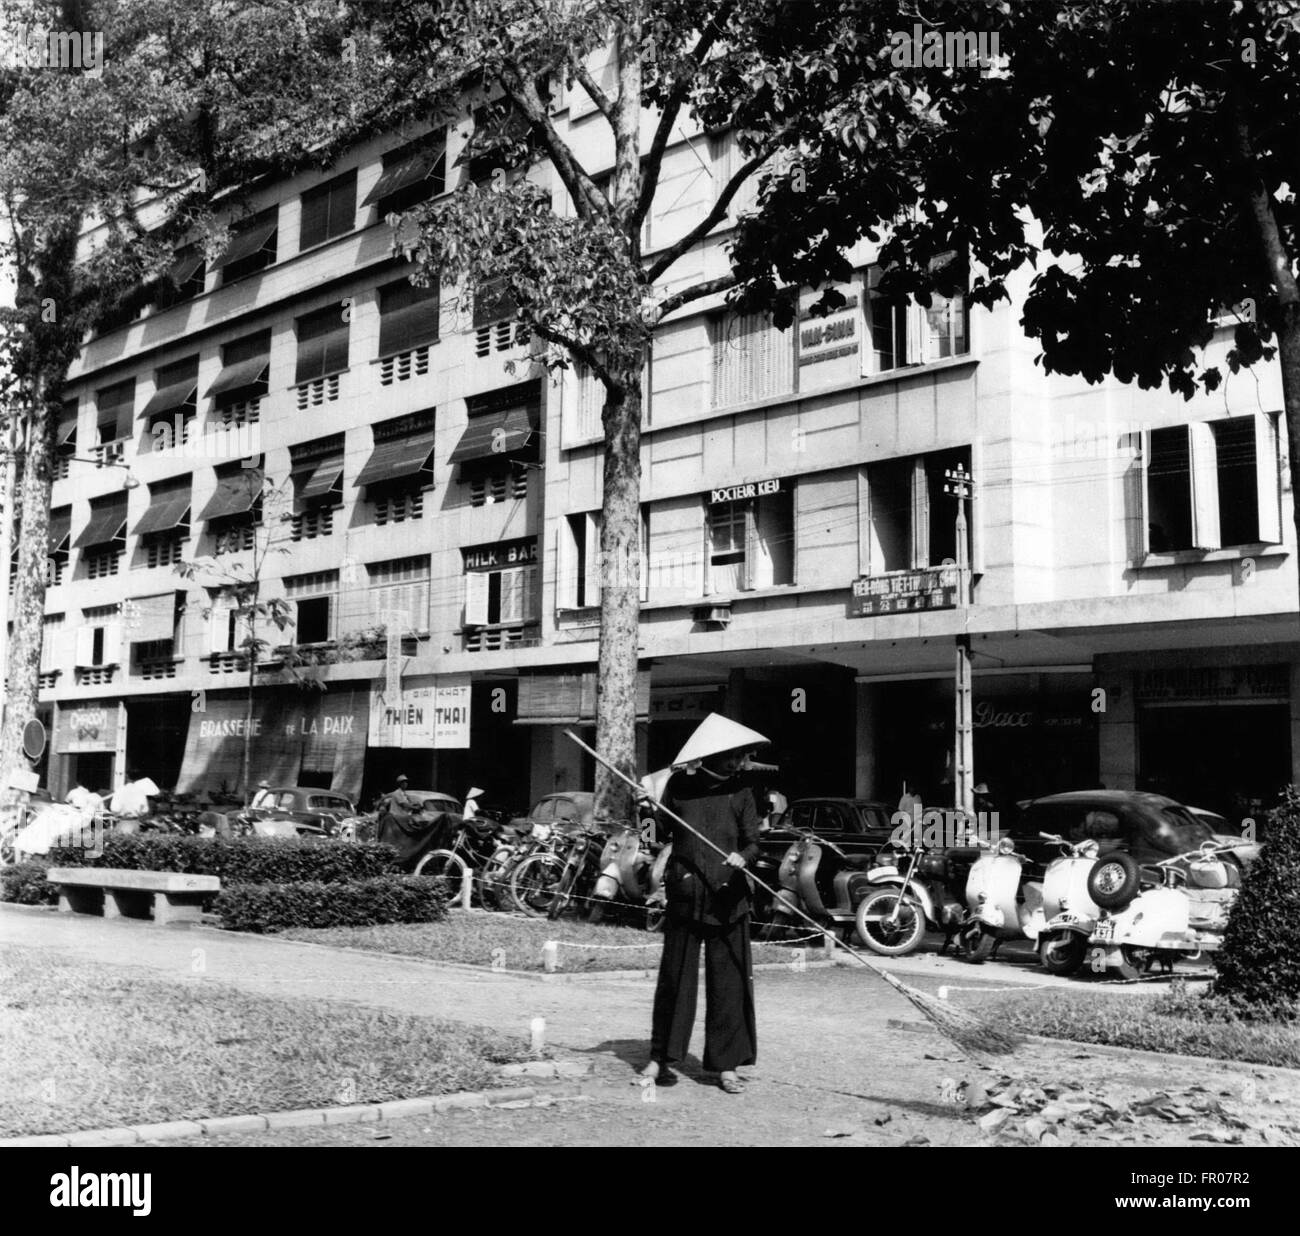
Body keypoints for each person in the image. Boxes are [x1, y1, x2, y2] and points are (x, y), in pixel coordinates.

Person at [639, 712, 768, 1095]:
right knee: (675, 980)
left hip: (729, 896)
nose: (735, 761)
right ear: (710, 754)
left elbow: (753, 841)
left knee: (728, 982)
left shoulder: (744, 791)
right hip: (686, 890)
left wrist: (744, 857)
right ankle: (660, 1058)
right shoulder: (678, 785)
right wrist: (647, 809)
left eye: (740, 755)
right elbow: (656, 835)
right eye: (729, 754)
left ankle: (726, 1066)